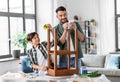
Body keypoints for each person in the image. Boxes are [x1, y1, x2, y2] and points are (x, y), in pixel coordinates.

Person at [53, 6, 85, 72]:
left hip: (76, 57)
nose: (63, 17)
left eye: (64, 14)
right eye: (60, 15)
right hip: (64, 58)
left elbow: (82, 39)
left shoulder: (76, 24)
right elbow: (60, 44)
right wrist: (65, 30)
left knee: (77, 79)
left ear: (67, 13)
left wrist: (75, 29)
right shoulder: (55, 29)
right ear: (57, 17)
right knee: (63, 79)